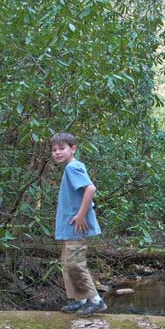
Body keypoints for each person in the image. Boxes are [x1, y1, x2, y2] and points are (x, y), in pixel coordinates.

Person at [50, 132, 107, 316]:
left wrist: (81, 216)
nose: (57, 152)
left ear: (73, 149)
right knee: (67, 264)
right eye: (54, 150)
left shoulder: (72, 168)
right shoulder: (71, 168)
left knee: (75, 263)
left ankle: (96, 300)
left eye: (62, 148)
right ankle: (81, 299)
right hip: (69, 227)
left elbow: (90, 189)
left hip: (76, 227)